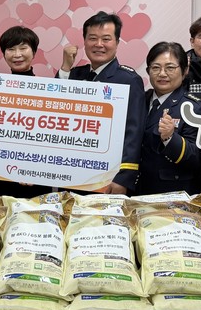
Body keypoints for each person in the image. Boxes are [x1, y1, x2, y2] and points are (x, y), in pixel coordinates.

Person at [59, 11, 145, 194]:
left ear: (117, 43)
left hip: (107, 179)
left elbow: (134, 133)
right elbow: (54, 107)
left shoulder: (129, 80)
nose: (99, 44)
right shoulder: (75, 74)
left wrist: (123, 178)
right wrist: (65, 67)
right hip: (70, 173)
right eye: (92, 38)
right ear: (84, 42)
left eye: (106, 39)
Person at [0, 26, 50, 197]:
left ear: (34, 52)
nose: (17, 54)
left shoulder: (48, 90)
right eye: (11, 49)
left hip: (35, 177)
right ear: (4, 54)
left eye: (23, 48)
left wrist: (36, 169)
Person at [138, 42, 201, 194]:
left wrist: (170, 138)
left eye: (170, 68)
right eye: (155, 67)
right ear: (148, 71)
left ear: (185, 70)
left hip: (172, 193)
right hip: (136, 189)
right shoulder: (139, 100)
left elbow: (198, 158)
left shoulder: (192, 107)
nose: (162, 73)